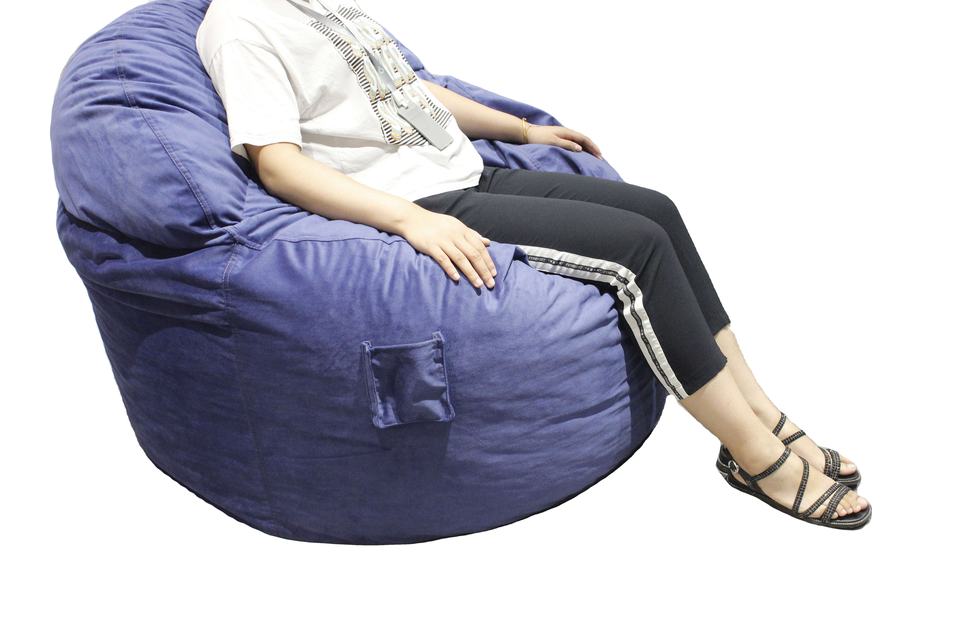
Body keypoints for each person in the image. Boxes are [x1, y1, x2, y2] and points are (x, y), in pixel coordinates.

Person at [196, 0, 871, 528]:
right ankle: (756, 457)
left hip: (465, 172)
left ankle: (764, 414)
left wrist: (521, 130)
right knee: (637, 252)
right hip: (421, 201)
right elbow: (277, 165)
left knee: (656, 211)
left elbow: (412, 92)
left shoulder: (322, 5)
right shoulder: (242, 25)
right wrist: (408, 219)